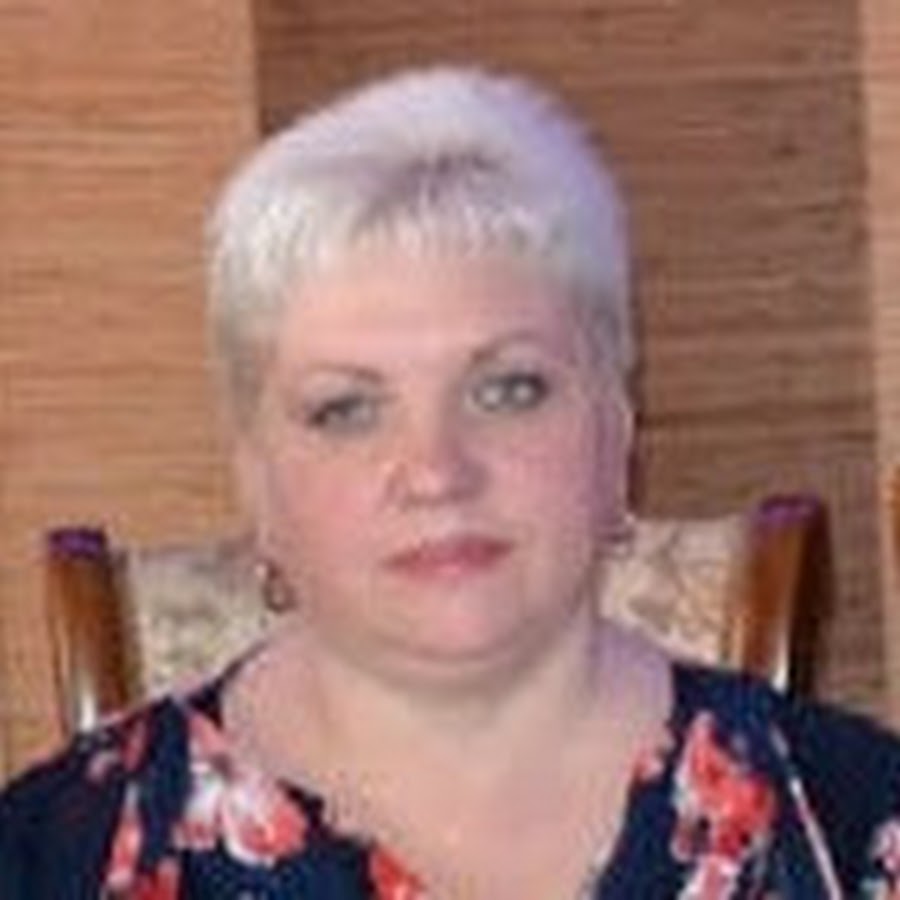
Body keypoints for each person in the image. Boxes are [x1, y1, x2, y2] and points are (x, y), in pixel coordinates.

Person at [2, 64, 900, 900]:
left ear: (617, 429)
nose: (436, 471)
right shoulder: (47, 859)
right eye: (347, 409)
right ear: (257, 480)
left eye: (508, 390)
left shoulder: (859, 823)